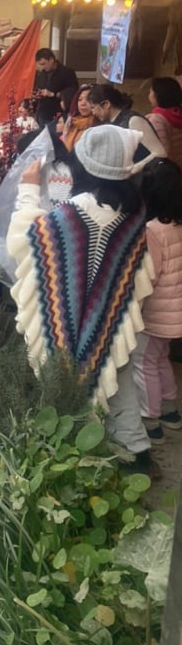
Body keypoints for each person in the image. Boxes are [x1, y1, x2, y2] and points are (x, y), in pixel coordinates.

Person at [7, 125, 157, 476]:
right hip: (111, 316)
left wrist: (28, 190)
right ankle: (137, 452)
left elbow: (26, 240)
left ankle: (65, 447)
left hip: (69, 318)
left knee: (61, 374)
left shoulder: (70, 214)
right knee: (115, 370)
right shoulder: (133, 214)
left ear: (82, 167)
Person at [131, 159, 182, 441]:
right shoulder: (177, 224)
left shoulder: (152, 231)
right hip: (174, 311)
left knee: (144, 363)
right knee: (160, 359)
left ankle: (150, 420)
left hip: (155, 314)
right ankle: (170, 409)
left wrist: (133, 309)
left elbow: (147, 278)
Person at [87, 83, 166, 171]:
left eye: (93, 107)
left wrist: (135, 168)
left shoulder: (133, 120)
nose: (93, 113)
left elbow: (160, 153)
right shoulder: (109, 124)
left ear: (106, 104)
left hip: (149, 178)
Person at [34, 48, 78, 126]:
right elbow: (37, 87)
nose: (42, 67)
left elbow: (74, 91)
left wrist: (55, 94)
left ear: (51, 59)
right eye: (40, 65)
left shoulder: (67, 72)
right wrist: (37, 94)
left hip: (58, 114)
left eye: (44, 64)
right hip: (43, 113)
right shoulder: (42, 74)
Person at [146, 77, 182, 170]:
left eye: (151, 92)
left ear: (158, 95)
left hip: (172, 174)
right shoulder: (178, 113)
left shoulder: (157, 120)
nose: (149, 96)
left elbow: (163, 154)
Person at [61, 83, 95, 152]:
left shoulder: (97, 125)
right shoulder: (72, 122)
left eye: (88, 99)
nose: (83, 103)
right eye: (79, 99)